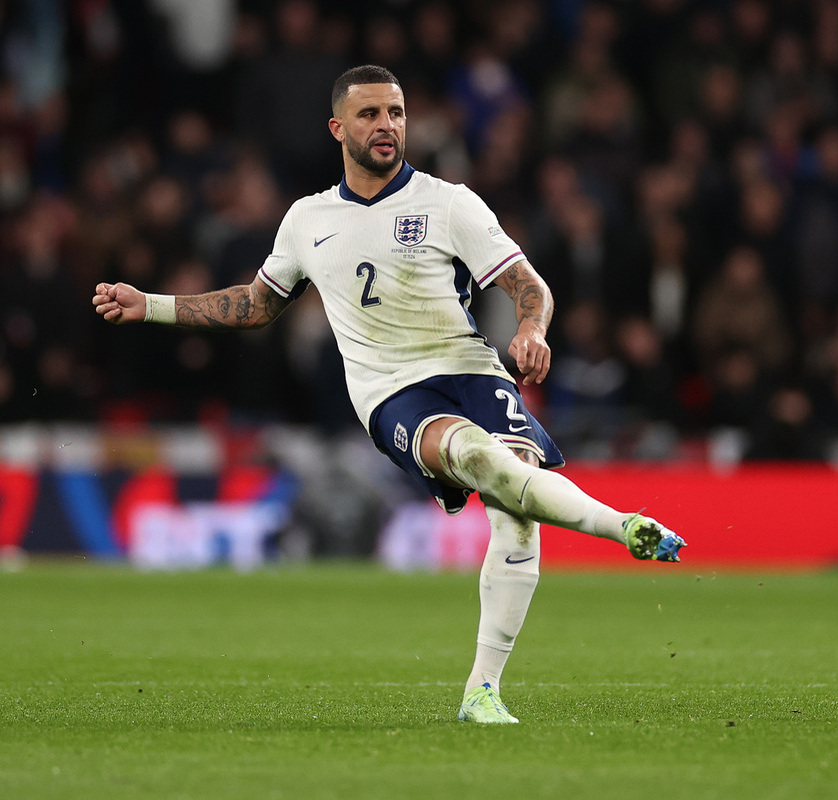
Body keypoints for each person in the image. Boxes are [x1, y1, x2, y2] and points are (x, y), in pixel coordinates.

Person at [93, 64, 685, 725]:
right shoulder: (308, 219)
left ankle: (481, 692)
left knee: (516, 511)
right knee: (488, 465)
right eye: (370, 114)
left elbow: (528, 284)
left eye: (396, 113)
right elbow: (256, 305)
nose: (386, 126)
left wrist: (532, 328)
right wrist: (152, 305)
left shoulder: (449, 202)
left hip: (470, 370)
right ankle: (622, 526)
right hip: (391, 391)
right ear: (337, 127)